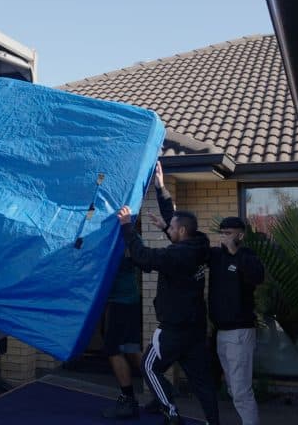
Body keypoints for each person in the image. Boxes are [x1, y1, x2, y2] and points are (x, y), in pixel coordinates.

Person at [118, 163, 219, 425]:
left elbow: (143, 257)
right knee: (201, 382)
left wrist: (128, 226)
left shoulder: (176, 255)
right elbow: (176, 223)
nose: (168, 229)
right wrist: (161, 188)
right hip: (195, 329)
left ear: (181, 232)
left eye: (171, 229)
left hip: (173, 330)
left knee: (149, 368)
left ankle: (170, 412)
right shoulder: (200, 244)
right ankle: (213, 421)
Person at [209, 216, 263, 425]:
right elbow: (189, 245)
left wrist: (234, 251)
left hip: (240, 332)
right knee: (233, 388)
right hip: (221, 332)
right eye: (222, 233)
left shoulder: (247, 256)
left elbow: (257, 277)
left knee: (241, 391)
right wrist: (167, 226)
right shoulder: (216, 256)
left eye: (228, 233)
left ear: (240, 235)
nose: (224, 237)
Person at [100, 217, 144, 419]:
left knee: (113, 349)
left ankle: (128, 400)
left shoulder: (118, 242)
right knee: (132, 349)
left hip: (121, 304)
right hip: (130, 302)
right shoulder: (134, 239)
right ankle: (163, 393)